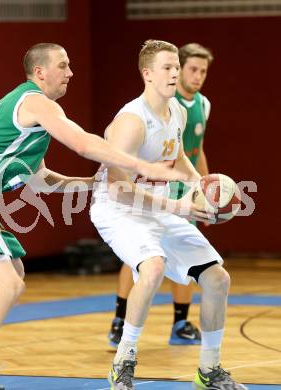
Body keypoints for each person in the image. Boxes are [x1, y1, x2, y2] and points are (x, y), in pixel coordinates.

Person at [0, 43, 185, 390]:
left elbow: (42, 180)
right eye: (63, 66)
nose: (70, 73)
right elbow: (81, 143)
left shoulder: (33, 121)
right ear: (39, 73)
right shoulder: (35, 101)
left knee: (13, 275)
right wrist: (140, 165)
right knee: (9, 283)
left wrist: (91, 184)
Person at [90, 40, 247, 390]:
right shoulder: (132, 121)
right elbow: (117, 188)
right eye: (167, 67)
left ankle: (209, 371)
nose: (175, 72)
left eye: (177, 66)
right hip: (118, 210)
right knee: (154, 267)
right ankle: (124, 361)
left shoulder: (176, 110)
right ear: (147, 73)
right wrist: (178, 205)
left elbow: (176, 156)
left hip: (156, 207)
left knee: (218, 279)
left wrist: (200, 183)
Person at [108, 42, 214, 348]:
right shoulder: (149, 108)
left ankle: (181, 322)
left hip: (183, 185)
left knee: (192, 253)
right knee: (142, 255)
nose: (196, 76)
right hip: (147, 188)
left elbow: (194, 151)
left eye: (201, 71)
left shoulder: (200, 106)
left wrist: (205, 185)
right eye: (188, 68)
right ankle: (120, 318)